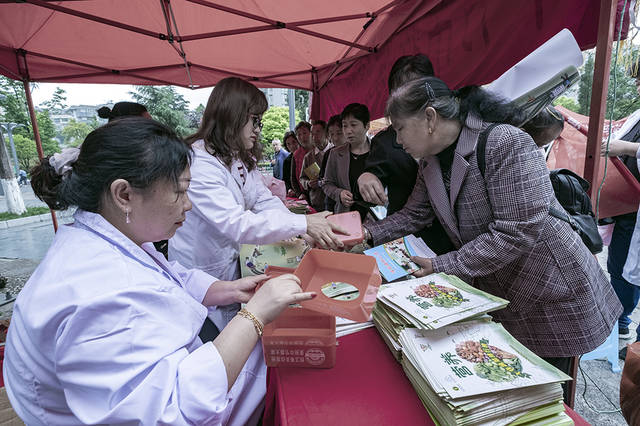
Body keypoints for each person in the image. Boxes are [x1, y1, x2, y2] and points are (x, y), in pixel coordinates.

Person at [5, 117, 314, 425]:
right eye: (179, 191)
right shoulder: (100, 295)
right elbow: (170, 414)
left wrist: (229, 290)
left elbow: (168, 274)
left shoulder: (102, 233)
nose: (189, 204)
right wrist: (254, 316)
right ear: (124, 195)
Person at [362, 76, 621, 401]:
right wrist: (366, 233)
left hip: (550, 291)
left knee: (544, 397)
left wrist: (444, 265)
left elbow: (517, 231)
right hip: (505, 289)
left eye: (399, 128)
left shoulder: (504, 143)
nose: (397, 140)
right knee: (508, 389)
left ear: (429, 118)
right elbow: (415, 213)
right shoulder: (430, 162)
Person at [168, 78, 344, 330]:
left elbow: (262, 199)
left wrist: (300, 228)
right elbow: (236, 223)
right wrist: (302, 223)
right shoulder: (201, 164)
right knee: (213, 334)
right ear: (233, 116)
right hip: (205, 269)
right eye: (255, 120)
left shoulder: (235, 157)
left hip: (228, 265)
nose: (259, 129)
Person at [356, 54, 453, 255]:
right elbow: (414, 213)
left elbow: (512, 231)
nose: (399, 140)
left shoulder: (495, 142)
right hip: (409, 244)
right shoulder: (425, 158)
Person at [601, 138, 640, 360]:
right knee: (620, 267)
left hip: (633, 211)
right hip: (628, 209)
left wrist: (627, 148)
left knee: (628, 269)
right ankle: (619, 322)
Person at [322, 103, 371, 220]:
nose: (348, 131)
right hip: (345, 218)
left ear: (367, 126)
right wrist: (339, 193)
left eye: (353, 125)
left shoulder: (379, 151)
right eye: (345, 126)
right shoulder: (335, 154)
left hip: (374, 219)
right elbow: (326, 184)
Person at [300, 120, 333, 211]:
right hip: (317, 202)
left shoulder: (336, 152)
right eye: (312, 134)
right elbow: (302, 178)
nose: (314, 137)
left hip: (334, 201)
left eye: (318, 132)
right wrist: (308, 183)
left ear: (326, 133)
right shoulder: (308, 157)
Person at [290, 121, 313, 199]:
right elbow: (293, 178)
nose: (302, 137)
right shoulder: (296, 155)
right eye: (299, 135)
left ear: (311, 133)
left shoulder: (318, 150)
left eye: (304, 133)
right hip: (304, 195)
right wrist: (299, 193)